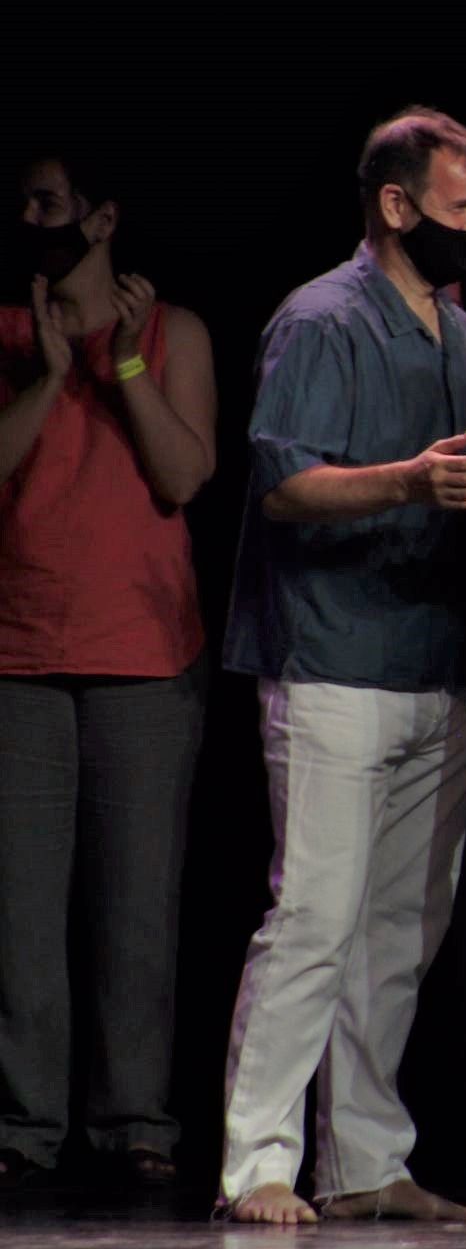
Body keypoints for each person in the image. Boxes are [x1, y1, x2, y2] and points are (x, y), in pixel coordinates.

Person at [216, 107, 466, 1225]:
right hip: (334, 656)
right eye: (459, 207)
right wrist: (407, 483)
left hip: (437, 661)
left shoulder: (465, 337)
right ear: (396, 204)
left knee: (401, 927)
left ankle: (366, 1156)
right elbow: (284, 483)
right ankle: (257, 1161)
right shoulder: (320, 321)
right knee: (315, 916)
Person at [0, 155, 214, 1192]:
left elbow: (183, 476)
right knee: (20, 915)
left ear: (102, 216)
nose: (28, 216)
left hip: (144, 658)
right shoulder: (3, 331)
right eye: (23, 200)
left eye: (46, 200)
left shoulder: (176, 332)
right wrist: (46, 377)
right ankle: (24, 1124)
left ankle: (136, 1120)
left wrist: (123, 362)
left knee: (137, 911)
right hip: (18, 657)